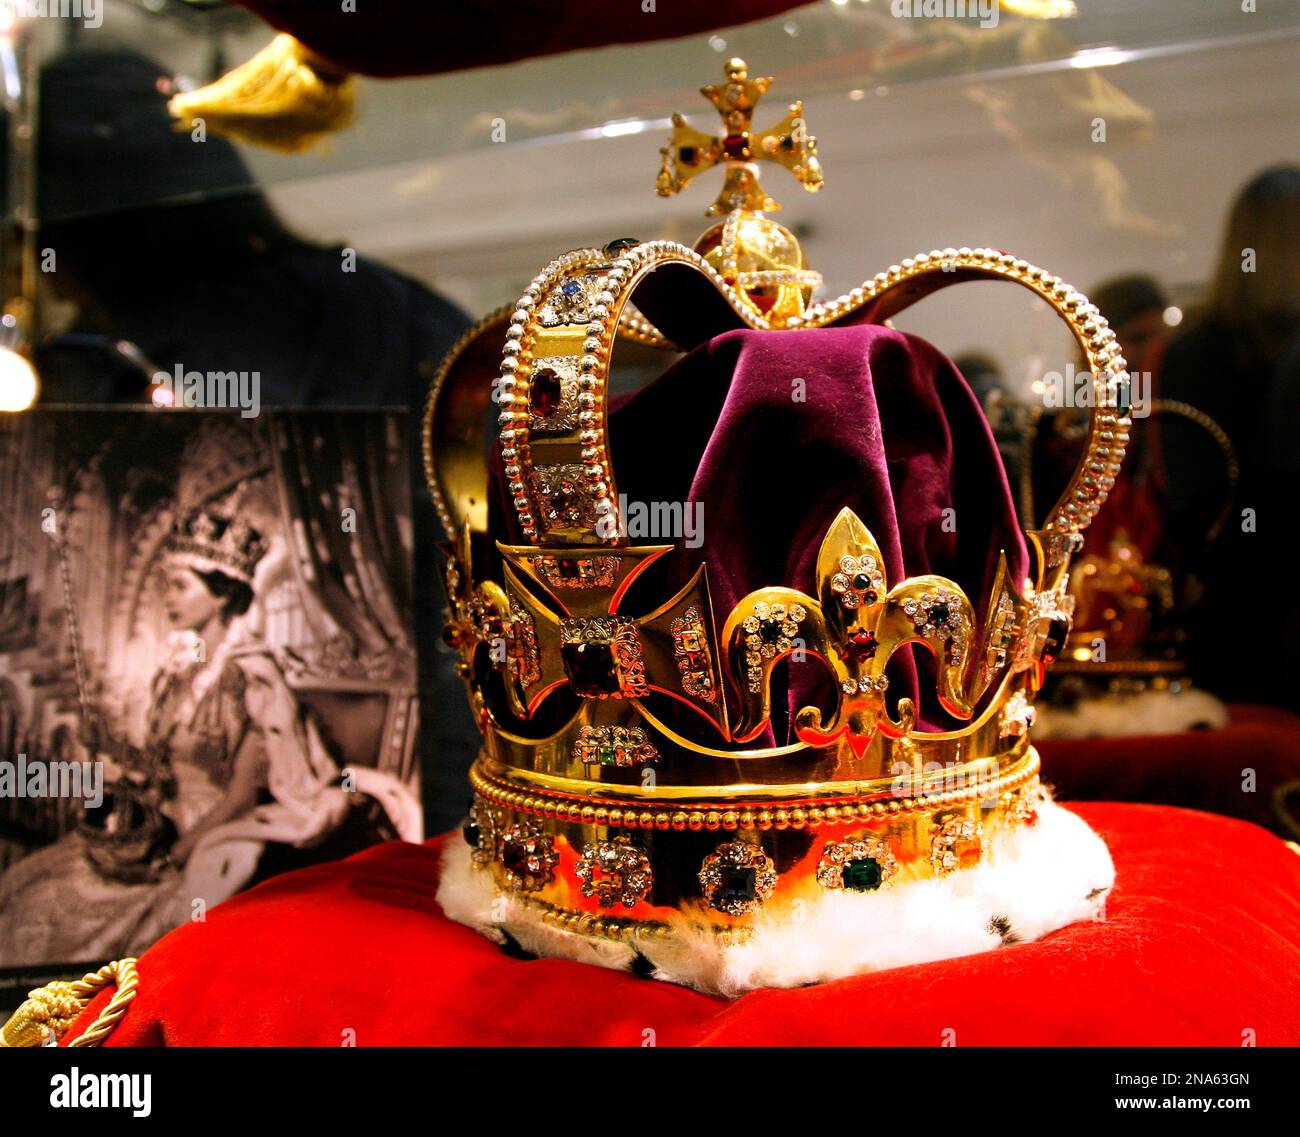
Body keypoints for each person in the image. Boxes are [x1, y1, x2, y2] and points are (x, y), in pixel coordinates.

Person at [0, 504, 419, 968]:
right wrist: (107, 743)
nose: (169, 598)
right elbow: (160, 764)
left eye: (180, 586)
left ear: (221, 595)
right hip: (158, 827)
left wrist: (172, 857)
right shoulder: (176, 677)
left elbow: (239, 799)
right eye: (166, 586)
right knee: (31, 883)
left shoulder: (253, 681)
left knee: (69, 914)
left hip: (207, 836)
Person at [1159, 166, 1300, 708]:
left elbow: (1192, 501)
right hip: (1265, 602)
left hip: (1233, 607)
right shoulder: (1205, 350)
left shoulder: (1194, 351)